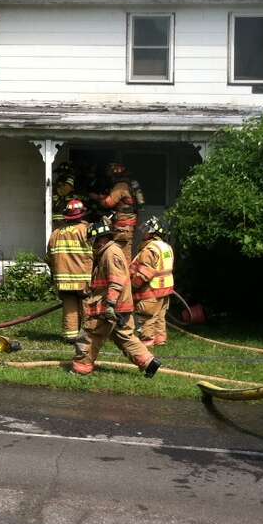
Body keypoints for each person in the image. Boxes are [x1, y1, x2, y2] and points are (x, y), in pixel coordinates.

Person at [71, 218, 161, 378]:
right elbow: (104, 281)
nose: (92, 244)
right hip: (119, 307)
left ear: (100, 239)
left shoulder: (110, 253)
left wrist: (110, 305)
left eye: (92, 240)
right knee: (124, 337)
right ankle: (149, 363)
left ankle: (81, 369)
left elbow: (116, 281)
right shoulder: (110, 252)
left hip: (108, 307)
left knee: (90, 336)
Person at [46, 198, 93, 341]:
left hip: (63, 280)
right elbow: (96, 251)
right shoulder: (86, 231)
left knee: (69, 307)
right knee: (86, 306)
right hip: (83, 279)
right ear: (82, 215)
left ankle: (71, 337)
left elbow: (49, 257)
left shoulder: (56, 233)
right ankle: (87, 335)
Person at [130, 217, 175, 347]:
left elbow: (144, 273)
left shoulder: (150, 250)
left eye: (146, 231)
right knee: (160, 316)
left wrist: (133, 286)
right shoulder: (166, 247)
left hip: (152, 289)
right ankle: (160, 339)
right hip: (165, 289)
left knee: (147, 317)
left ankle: (147, 341)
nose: (143, 233)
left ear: (153, 233)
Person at [99, 162, 143, 256]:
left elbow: (108, 203)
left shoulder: (121, 186)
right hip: (129, 224)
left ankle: (124, 270)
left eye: (111, 175)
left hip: (123, 226)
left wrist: (98, 198)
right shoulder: (130, 184)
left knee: (122, 254)